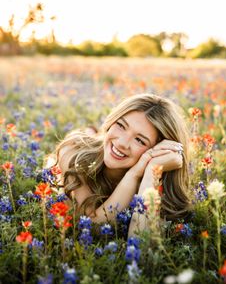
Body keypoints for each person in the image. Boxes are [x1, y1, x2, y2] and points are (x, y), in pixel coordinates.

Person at [49, 93, 190, 236]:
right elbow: (92, 226)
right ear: (112, 121)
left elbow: (142, 247)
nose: (122, 143)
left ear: (159, 150)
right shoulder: (74, 154)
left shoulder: (160, 180)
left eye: (140, 140)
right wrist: (133, 175)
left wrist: (151, 171)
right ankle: (90, 132)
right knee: (86, 136)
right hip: (88, 147)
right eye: (121, 125)